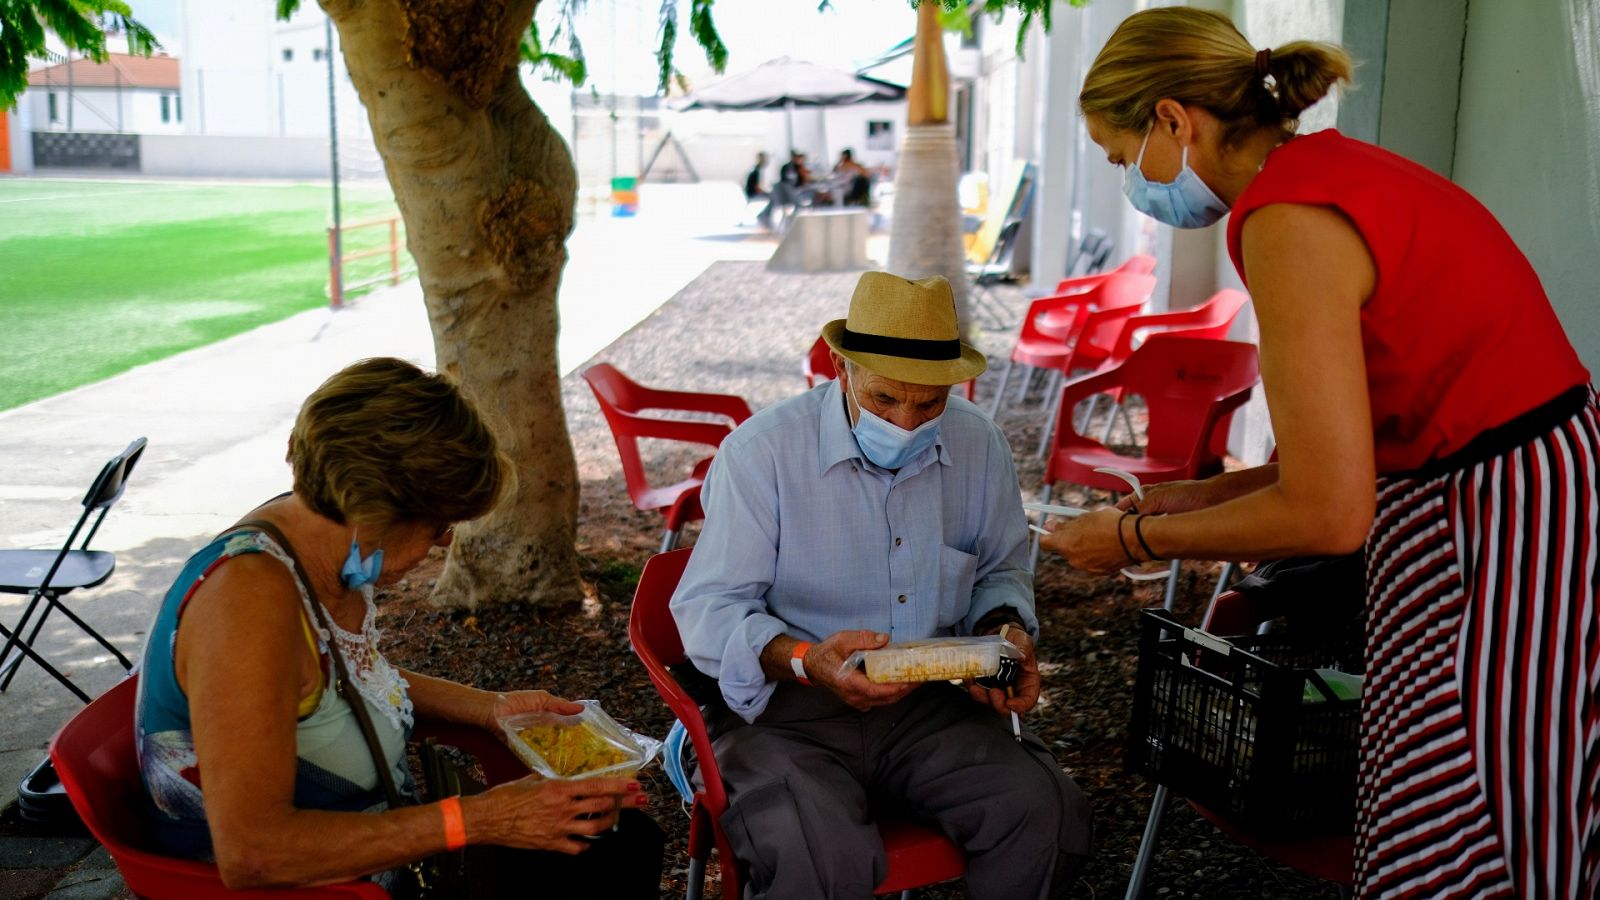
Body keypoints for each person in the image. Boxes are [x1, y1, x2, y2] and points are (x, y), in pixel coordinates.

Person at [1042, 8, 1597, 898]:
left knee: (1477, 806)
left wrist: (1134, 545)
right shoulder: (1333, 172)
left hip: (1502, 522)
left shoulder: (1287, 220)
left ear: (1174, 121)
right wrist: (1193, 500)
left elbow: (1330, 512)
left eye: (1122, 157)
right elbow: (1349, 445)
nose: (1133, 184)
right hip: (1497, 490)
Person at [135, 357, 664, 894]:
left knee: (618, 840)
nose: (444, 543)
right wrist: (481, 819)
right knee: (607, 856)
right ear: (372, 510)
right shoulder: (247, 602)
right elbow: (254, 853)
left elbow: (338, 682)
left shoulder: (319, 541)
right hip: (320, 885)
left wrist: (488, 708)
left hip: (372, 850)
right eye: (438, 524)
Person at [671, 273, 1092, 900]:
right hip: (782, 715)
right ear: (841, 366)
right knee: (819, 856)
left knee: (1046, 812)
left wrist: (1002, 639)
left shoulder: (980, 445)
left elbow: (1000, 572)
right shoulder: (762, 454)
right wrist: (807, 660)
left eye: (929, 404)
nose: (905, 420)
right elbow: (711, 609)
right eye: (884, 398)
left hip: (925, 708)